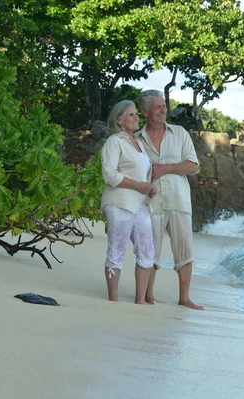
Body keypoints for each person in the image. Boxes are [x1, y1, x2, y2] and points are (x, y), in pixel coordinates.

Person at [137, 90, 204, 310]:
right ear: (145, 112)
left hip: (179, 200)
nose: (163, 110)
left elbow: (193, 166)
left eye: (164, 105)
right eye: (157, 107)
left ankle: (184, 298)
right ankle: (148, 295)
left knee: (184, 249)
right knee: (150, 249)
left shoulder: (180, 133)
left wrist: (166, 168)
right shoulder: (136, 139)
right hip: (150, 201)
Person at [100, 100, 158, 304]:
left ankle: (140, 300)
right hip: (119, 202)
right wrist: (138, 185)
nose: (136, 118)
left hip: (140, 204)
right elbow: (110, 175)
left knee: (147, 251)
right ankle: (113, 299)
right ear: (119, 120)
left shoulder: (139, 143)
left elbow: (142, 173)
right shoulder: (114, 142)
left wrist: (148, 187)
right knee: (117, 250)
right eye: (131, 114)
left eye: (136, 114)